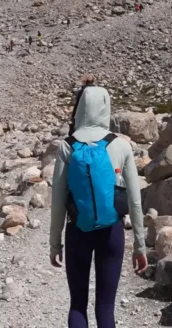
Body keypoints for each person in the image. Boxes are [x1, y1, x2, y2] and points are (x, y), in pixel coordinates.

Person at [50, 82, 146, 328]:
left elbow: (58, 201)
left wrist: (54, 244)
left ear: (81, 107)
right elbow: (135, 200)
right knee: (105, 307)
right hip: (111, 231)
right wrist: (140, 245)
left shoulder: (67, 146)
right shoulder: (121, 145)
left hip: (77, 232)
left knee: (77, 305)